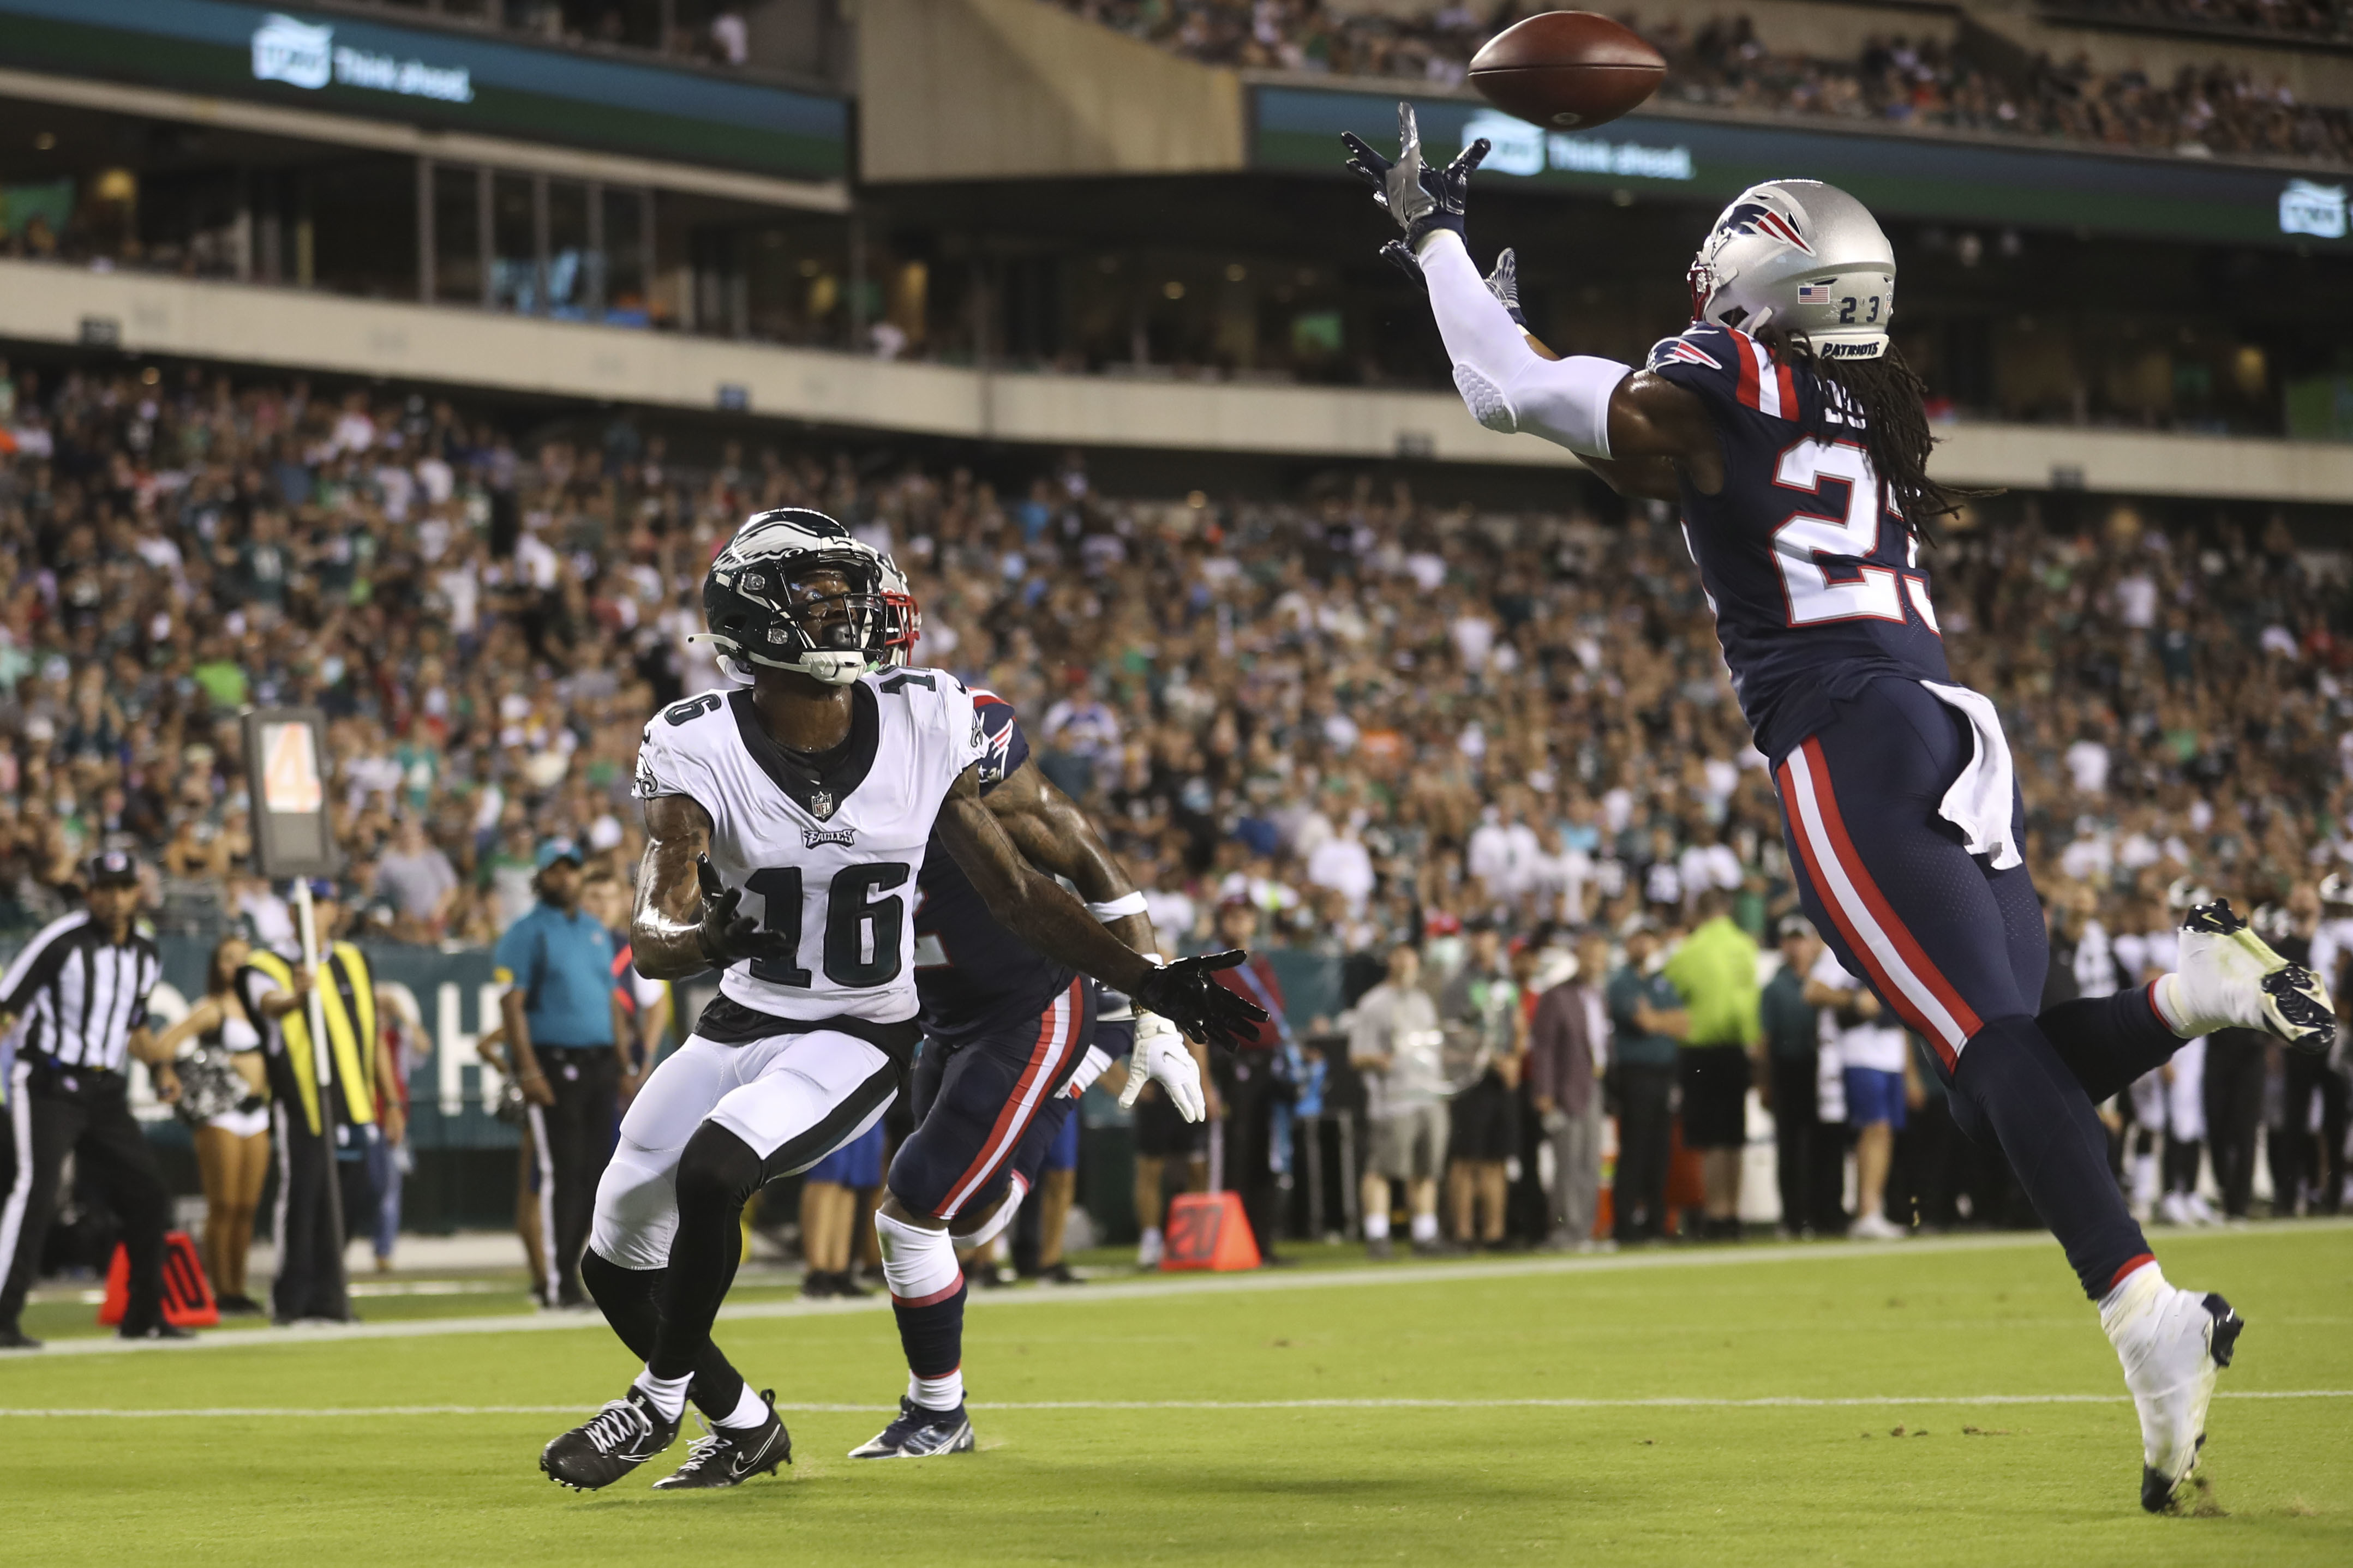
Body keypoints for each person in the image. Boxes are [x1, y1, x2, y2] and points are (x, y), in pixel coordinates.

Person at [1344, 112, 2337, 1507]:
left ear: (1757, 282)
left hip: (1844, 737)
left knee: (1992, 1060)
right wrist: (1542, 361)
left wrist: (1431, 237)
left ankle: (2144, 1313)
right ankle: (2194, 995)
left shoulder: (1721, 372)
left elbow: (1507, 393)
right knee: (2007, 1082)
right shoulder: (1871, 410)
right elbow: (1660, 460)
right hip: (1955, 726)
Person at [536, 510, 1261, 1492]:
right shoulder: (694, 740)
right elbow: (654, 935)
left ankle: (655, 1403)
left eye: (851, 590)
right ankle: (746, 1425)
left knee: (714, 1174)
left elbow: (1014, 891)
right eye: (818, 594)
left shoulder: (926, 716)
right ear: (752, 617)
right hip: (742, 1019)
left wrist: (1147, 982)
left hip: (859, 1029)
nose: (849, 610)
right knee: (612, 1258)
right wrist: (706, 938)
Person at [851, 672, 1200, 1456]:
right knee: (966, 1221)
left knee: (910, 1211)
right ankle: (1067, 1088)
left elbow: (1087, 860)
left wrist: (1155, 1005)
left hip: (1029, 1005)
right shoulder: (790, 765)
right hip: (940, 1017)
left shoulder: (949, 739)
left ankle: (938, 1412)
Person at [0, 851, 179, 1349]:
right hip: (50, 1084)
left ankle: (144, 1314)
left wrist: (160, 1066)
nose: (116, 898)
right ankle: (3, 1314)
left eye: (125, 888)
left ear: (137, 893)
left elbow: (134, 1026)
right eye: (107, 888)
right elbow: (7, 1007)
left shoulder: (145, 952)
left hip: (104, 1088)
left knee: (148, 1193)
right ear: (90, 893)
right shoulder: (60, 943)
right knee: (36, 1191)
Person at [240, 881, 392, 1325]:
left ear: (335, 910)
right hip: (303, 1101)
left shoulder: (352, 960)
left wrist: (392, 1100)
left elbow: (373, 1032)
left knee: (358, 1194)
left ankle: (329, 1293)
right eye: (305, 906)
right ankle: (291, 1299)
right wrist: (296, 995)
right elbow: (268, 1003)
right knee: (303, 1199)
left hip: (356, 1102)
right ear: (290, 913)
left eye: (323, 904)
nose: (314, 913)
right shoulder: (266, 964)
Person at [494, 840, 635, 1308]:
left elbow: (612, 1001)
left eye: (571, 870)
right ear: (540, 877)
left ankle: (577, 1274)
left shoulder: (595, 931)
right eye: (555, 871)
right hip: (553, 1062)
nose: (566, 879)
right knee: (560, 1173)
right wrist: (529, 1068)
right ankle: (557, 1282)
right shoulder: (527, 931)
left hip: (598, 1062)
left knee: (595, 1174)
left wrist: (625, 1062)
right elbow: (511, 1004)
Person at [151, 935, 271, 1313]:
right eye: (227, 958)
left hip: (258, 1110)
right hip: (222, 1110)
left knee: (247, 1207)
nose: (234, 965)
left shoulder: (262, 1007)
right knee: (224, 1204)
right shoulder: (213, 1008)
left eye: (242, 958)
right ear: (217, 965)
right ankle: (221, 1290)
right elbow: (166, 1041)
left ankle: (238, 1286)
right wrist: (167, 1073)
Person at [1662, 890, 1762, 1239]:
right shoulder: (1745, 947)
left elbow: (1670, 990)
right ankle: (1733, 1213)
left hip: (1701, 1050)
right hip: (1738, 1049)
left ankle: (1716, 1214)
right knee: (1733, 1137)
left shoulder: (1690, 951)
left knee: (1709, 1139)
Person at [1207, 895, 1294, 1267]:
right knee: (1236, 1154)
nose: (1241, 924)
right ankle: (1233, 1242)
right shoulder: (1212, 966)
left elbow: (1276, 1013)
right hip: (1234, 1065)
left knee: (1268, 1155)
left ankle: (1263, 1243)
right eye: (1234, 917)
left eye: (1246, 917)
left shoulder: (1261, 963)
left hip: (1268, 1065)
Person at [1350, 941, 1447, 1258]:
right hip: (1394, 1100)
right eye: (1401, 955)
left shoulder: (1423, 1001)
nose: (1407, 962)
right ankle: (1377, 1236)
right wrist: (1379, 1060)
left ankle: (1425, 1234)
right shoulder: (1373, 1003)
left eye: (1412, 955)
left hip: (1429, 1096)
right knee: (1382, 1168)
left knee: (1427, 1168)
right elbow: (1356, 1055)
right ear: (1390, 959)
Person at [1806, 948, 1911, 1239]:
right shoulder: (1846, 944)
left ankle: (1874, 1207)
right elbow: (1813, 992)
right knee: (1873, 1128)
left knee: (1885, 1131)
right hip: (1860, 1053)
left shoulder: (1894, 944)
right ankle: (1867, 1210)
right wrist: (1854, 1000)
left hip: (1889, 1053)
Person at [1758, 918, 1846, 1237]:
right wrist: (1764, 1084)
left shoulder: (1826, 980)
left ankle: (1825, 1212)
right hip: (1788, 1069)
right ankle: (1794, 1217)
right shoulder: (1775, 987)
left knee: (1826, 1143)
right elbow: (1765, 1041)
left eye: (1801, 940)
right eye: (1790, 941)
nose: (1796, 948)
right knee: (1791, 1146)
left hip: (1822, 1069)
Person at [1525, 930, 1609, 1249]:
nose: (1595, 963)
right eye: (1590, 956)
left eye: (1600, 957)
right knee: (1568, 1164)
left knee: (1590, 1163)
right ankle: (1565, 1231)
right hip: (1565, 1090)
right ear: (1578, 956)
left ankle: (1585, 1229)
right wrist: (1544, 1093)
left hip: (1594, 1086)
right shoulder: (1557, 996)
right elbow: (1543, 1049)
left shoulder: (1598, 996)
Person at [1439, 918, 1518, 1249]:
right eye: (1478, 936)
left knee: (1497, 1158)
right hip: (1469, 1079)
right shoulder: (1459, 983)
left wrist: (1514, 1057)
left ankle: (1495, 1233)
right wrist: (1491, 1056)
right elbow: (1454, 1031)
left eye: (1488, 935)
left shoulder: (1504, 981)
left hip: (1501, 1080)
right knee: (1466, 1158)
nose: (1483, 942)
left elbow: (1514, 1025)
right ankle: (1464, 1232)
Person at [1606, 923, 1686, 1243]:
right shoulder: (1621, 982)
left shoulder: (1662, 981)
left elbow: (1685, 1023)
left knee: (1660, 1150)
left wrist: (1659, 1020)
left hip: (1665, 1072)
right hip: (1635, 1073)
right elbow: (1645, 1021)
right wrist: (1661, 1021)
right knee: (1635, 1149)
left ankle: (1656, 1223)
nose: (1644, 944)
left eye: (1649, 937)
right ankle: (1625, 1224)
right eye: (1638, 937)